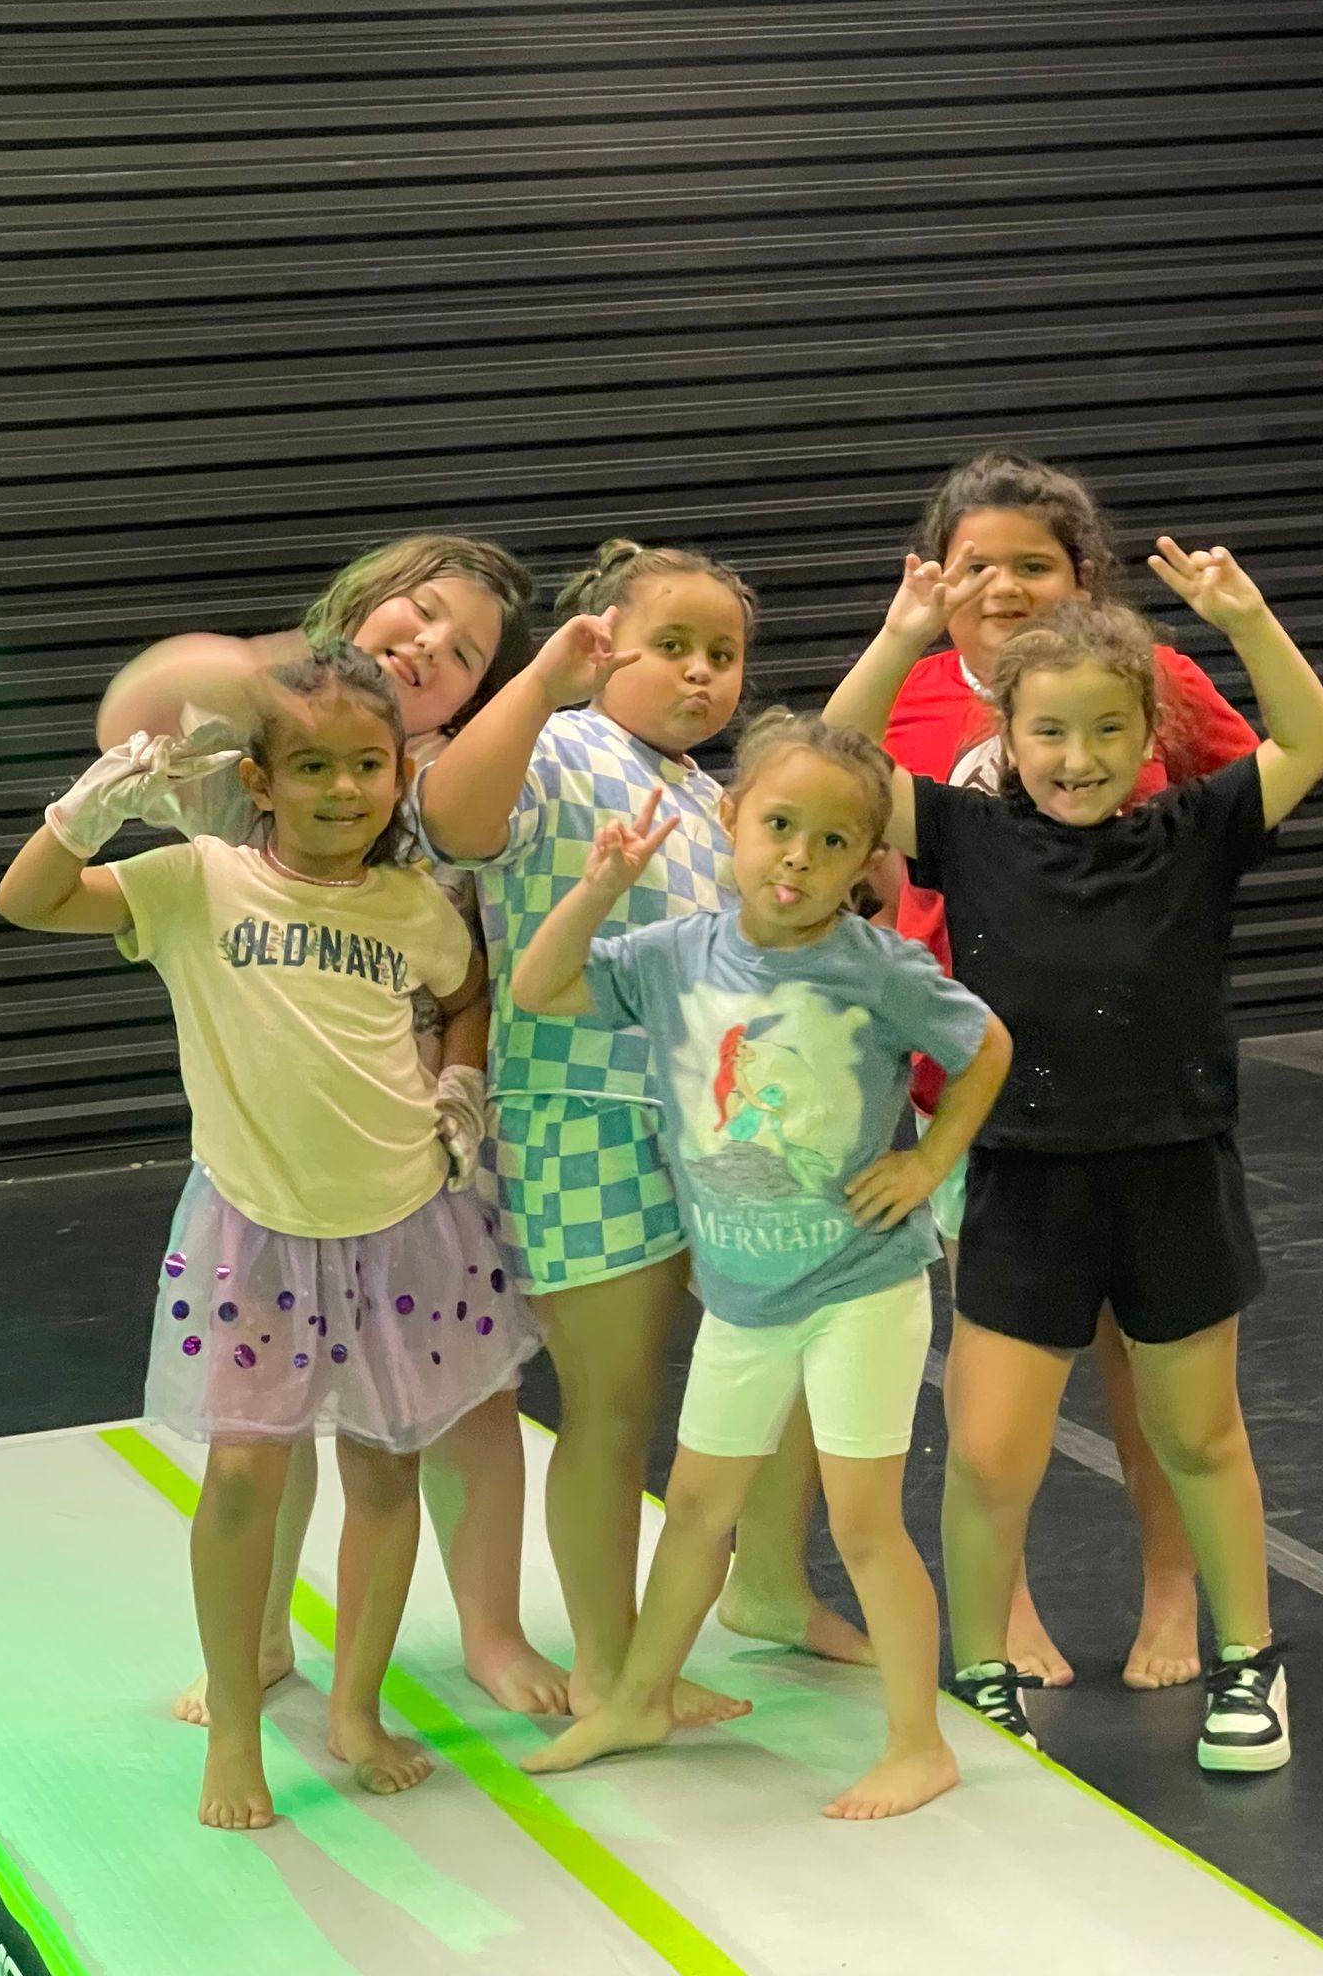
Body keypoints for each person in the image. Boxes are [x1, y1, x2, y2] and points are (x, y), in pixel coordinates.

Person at [0, 646, 541, 1828]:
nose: (344, 789)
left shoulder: (413, 905)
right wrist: (82, 813)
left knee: (386, 1471)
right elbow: (29, 901)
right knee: (245, 1477)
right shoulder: (196, 882)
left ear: (399, 773)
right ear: (259, 778)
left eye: (368, 765)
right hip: (256, 1233)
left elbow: (468, 991)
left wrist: (462, 1078)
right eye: (313, 767)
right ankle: (239, 1722)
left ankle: (356, 1709)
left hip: (404, 1226)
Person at [828, 538, 1323, 1771]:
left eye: (1109, 730)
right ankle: (982, 1671)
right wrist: (900, 637)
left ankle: (1249, 1659)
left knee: (1198, 1434)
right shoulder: (967, 833)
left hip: (1173, 1172)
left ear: (1148, 733)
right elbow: (841, 762)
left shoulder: (1196, 827)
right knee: (989, 1450)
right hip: (1022, 1177)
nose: (1079, 756)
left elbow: (1311, 737)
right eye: (1050, 732)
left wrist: (1248, 616)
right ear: (1007, 735)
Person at [98, 533, 570, 1720]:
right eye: (418, 613)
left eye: (466, 653)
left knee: (465, 1401)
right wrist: (261, 672)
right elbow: (131, 714)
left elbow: (469, 967)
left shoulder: (452, 776)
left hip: (421, 1152)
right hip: (279, 1152)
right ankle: (257, 1638)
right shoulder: (254, 744)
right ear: (363, 603)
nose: (432, 647)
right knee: (269, 1419)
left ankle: (492, 1629)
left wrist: (460, 1084)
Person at [508, 712, 1011, 1820]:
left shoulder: (878, 968)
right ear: (731, 820)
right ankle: (640, 1699)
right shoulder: (674, 955)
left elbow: (986, 1046)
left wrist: (929, 1161)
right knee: (696, 1508)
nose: (799, 858)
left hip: (858, 1287)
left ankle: (918, 1742)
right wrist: (596, 889)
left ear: (866, 861)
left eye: (834, 843)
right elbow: (539, 987)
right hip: (742, 1296)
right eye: (780, 826)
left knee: (863, 1520)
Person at [412, 540, 870, 1722]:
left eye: (725, 653)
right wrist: (542, 683)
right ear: (602, 643)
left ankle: (767, 1585)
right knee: (612, 1406)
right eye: (674, 645)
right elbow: (453, 817)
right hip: (579, 1120)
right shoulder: (557, 747)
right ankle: (612, 1663)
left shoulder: (708, 796)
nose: (704, 672)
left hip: (709, 1126)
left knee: (784, 1353)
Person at [882, 451, 1258, 1696]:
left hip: (1134, 1092)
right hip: (974, 1094)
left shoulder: (1160, 680)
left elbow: (1244, 788)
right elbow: (838, 784)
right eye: (975, 564)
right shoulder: (915, 697)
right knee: (1001, 1385)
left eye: (1031, 564)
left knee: (1154, 1377)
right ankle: (1006, 1612)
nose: (1002, 586)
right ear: (936, 576)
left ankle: (1174, 1586)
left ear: (1081, 573)